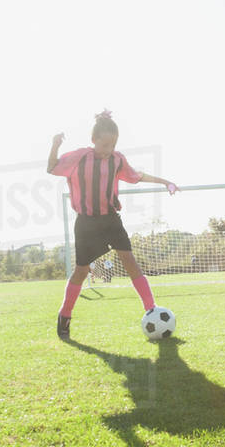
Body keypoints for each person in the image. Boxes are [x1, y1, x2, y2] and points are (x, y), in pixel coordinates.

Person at [47, 110, 178, 339]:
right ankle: (65, 315)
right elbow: (52, 167)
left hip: (110, 219)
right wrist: (55, 145)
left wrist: (165, 181)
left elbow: (137, 175)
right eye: (105, 144)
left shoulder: (117, 159)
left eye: (113, 144)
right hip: (86, 223)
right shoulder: (79, 157)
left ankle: (151, 309)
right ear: (94, 140)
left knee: (130, 261)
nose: (109, 149)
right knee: (81, 271)